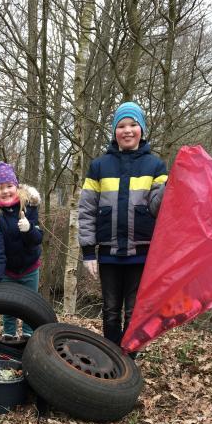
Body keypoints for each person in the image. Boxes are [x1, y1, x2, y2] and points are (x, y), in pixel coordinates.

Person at [78, 101, 168, 349]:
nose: (127, 130)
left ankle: (128, 360)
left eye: (133, 125)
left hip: (142, 254)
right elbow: (86, 210)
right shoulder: (98, 166)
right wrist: (88, 252)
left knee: (134, 313)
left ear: (142, 129)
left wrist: (171, 188)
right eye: (121, 126)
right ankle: (112, 357)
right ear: (114, 131)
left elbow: (159, 209)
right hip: (108, 254)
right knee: (110, 310)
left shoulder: (156, 166)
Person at [0, 162, 43, 341]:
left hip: (29, 267)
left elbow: (37, 239)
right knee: (9, 304)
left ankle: (28, 336)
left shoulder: (29, 206)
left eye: (9, 186)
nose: (5, 191)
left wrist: (29, 229)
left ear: (16, 186)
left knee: (30, 303)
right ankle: (9, 334)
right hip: (7, 270)